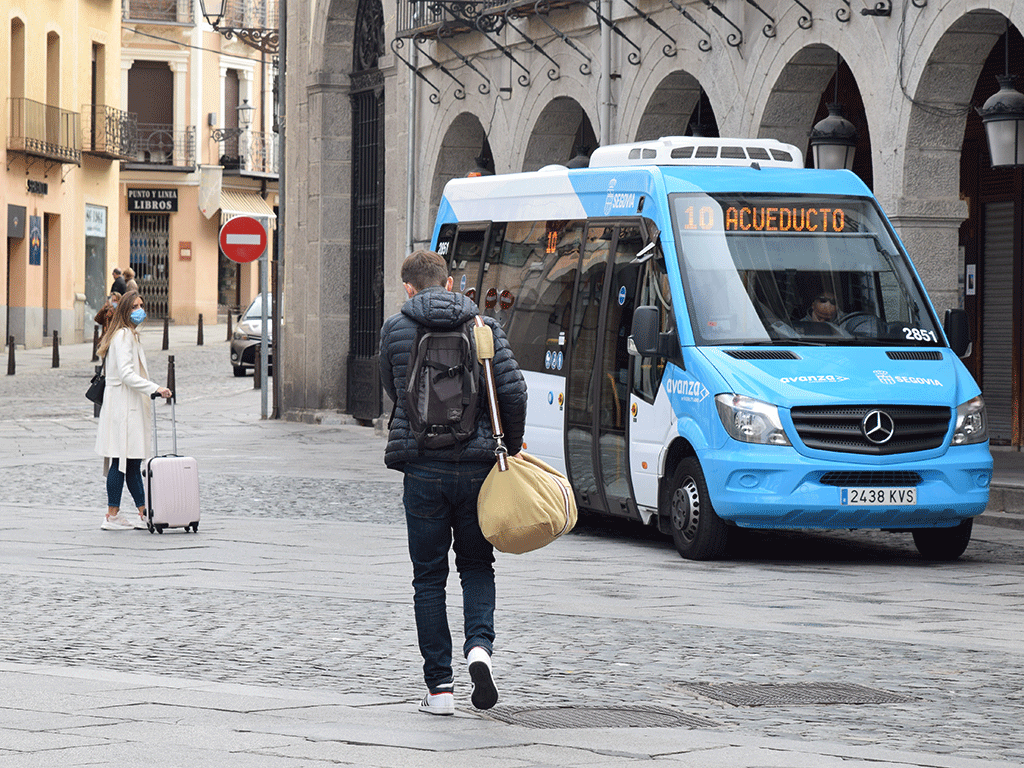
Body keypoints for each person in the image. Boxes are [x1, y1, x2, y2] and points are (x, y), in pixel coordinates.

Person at [379, 250, 527, 716]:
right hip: (478, 467)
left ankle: (439, 689)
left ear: (408, 288)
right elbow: (514, 391)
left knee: (428, 578)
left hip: (423, 468)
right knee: (477, 565)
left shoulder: (395, 329)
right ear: (449, 284)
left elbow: (392, 388)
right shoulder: (483, 327)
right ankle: (479, 650)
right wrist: (511, 444)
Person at [94, 291, 172, 530]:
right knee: (121, 459)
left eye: (142, 305)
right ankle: (113, 515)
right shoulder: (124, 335)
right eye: (135, 306)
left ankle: (142, 512)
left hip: (123, 404)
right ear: (126, 310)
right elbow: (127, 374)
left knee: (130, 462)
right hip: (124, 406)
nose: (140, 310)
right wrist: (155, 388)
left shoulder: (124, 334)